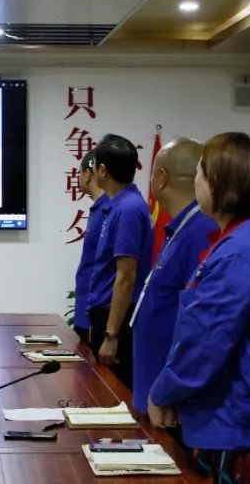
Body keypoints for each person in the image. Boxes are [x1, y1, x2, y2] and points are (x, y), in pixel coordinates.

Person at [148, 132, 250, 484]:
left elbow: (204, 344)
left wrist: (162, 392)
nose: (195, 181)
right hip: (236, 422)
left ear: (222, 184)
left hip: (235, 431)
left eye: (201, 172)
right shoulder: (248, 237)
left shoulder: (239, 253)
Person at [129, 138, 218, 427]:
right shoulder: (180, 228)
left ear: (162, 177)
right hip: (153, 388)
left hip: (171, 401)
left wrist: (171, 391)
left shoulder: (201, 231)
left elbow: (199, 323)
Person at [86, 134, 152, 389]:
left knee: (113, 395)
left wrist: (111, 335)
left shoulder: (128, 209)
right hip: (106, 314)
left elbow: (126, 276)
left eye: (93, 166)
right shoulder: (118, 205)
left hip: (117, 320)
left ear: (102, 170)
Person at [72, 149, 108, 346]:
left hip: (96, 310)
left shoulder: (109, 210)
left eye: (80, 172)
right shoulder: (98, 208)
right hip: (86, 306)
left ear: (88, 173)